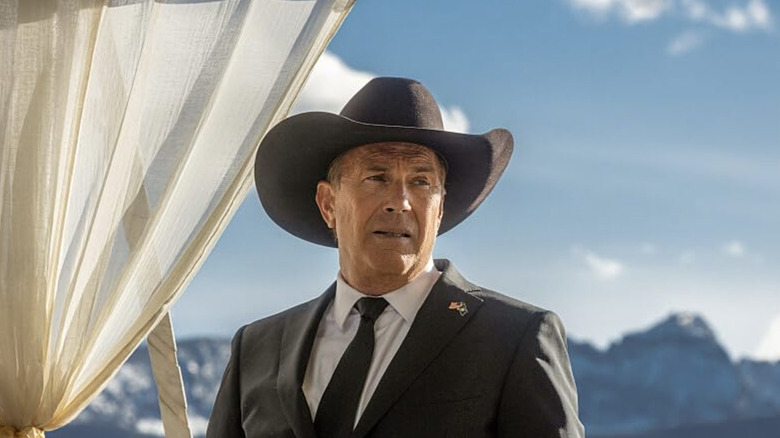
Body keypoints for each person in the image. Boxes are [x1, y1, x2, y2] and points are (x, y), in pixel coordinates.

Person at [207, 77, 585, 437]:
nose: (400, 202)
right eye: (377, 177)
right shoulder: (255, 349)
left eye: (421, 182)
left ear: (439, 210)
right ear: (328, 204)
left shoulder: (515, 337)